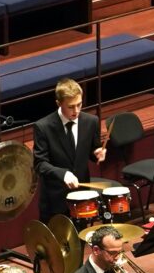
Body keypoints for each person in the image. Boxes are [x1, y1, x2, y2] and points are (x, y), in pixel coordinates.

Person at [32, 76, 104, 221]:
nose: (76, 110)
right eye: (71, 106)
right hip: (55, 200)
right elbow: (40, 164)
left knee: (79, 241)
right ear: (59, 103)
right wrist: (63, 174)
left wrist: (97, 154)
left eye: (79, 104)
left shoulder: (91, 122)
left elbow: (92, 151)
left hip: (82, 196)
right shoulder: (43, 127)